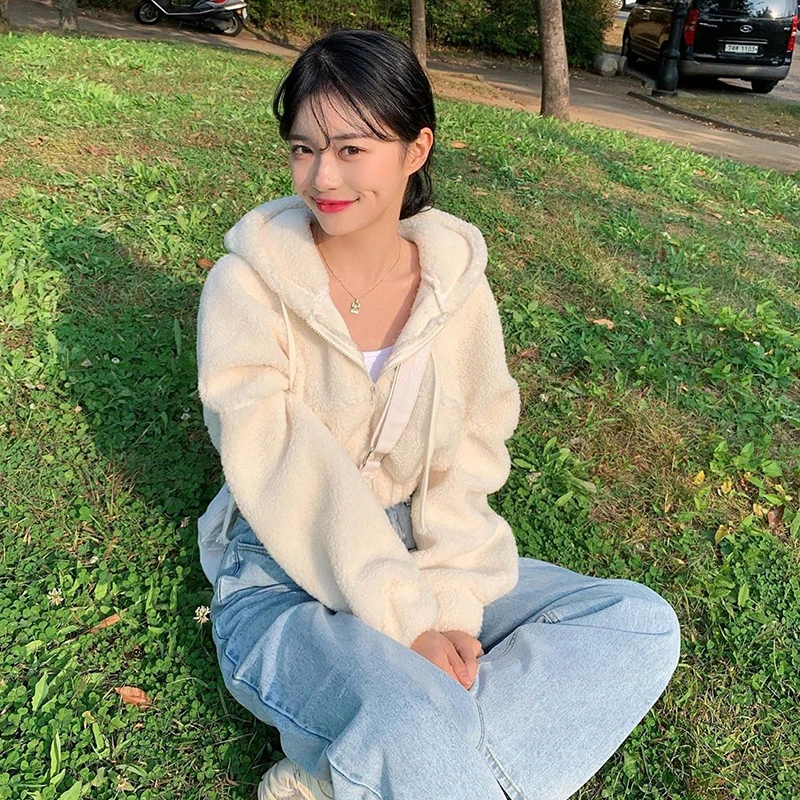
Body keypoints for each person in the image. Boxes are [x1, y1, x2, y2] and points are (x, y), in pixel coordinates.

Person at [195, 28, 681, 800]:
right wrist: (409, 625)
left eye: (352, 149)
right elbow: (286, 470)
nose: (322, 176)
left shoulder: (456, 287)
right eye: (303, 149)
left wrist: (450, 603)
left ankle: (349, 772)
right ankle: (405, 744)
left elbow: (468, 454)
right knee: (420, 713)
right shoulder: (246, 287)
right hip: (284, 572)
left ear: (415, 149)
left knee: (637, 621)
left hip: (426, 549)